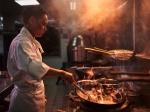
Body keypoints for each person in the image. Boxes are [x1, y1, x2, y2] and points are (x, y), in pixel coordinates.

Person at [7, 6, 75, 112]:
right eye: (43, 23)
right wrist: (62, 73)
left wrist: (41, 92)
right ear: (32, 20)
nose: (45, 28)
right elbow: (36, 69)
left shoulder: (31, 40)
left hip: (34, 95)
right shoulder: (21, 42)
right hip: (25, 101)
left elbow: (35, 74)